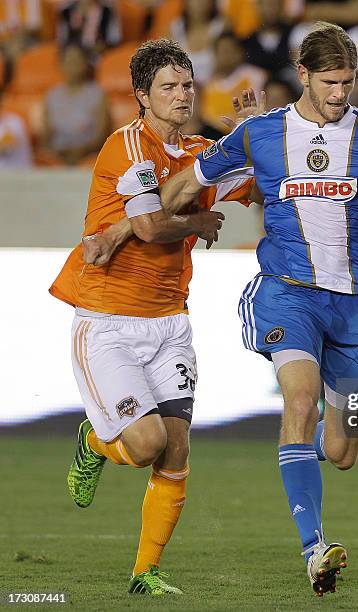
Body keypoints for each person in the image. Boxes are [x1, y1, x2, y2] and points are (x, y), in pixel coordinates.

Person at [85, 22, 358, 598]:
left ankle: (315, 459)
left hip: (357, 306)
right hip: (287, 292)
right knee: (300, 399)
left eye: (349, 82)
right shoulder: (262, 134)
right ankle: (314, 550)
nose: (340, 93)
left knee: (340, 450)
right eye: (330, 82)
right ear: (303, 75)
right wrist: (116, 230)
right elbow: (183, 186)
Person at [49, 39, 257, 596]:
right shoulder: (127, 148)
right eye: (168, 86)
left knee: (177, 447)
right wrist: (199, 221)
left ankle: (146, 572)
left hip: (171, 321)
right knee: (143, 445)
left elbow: (259, 186)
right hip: (109, 320)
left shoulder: (200, 152)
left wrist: (254, 136)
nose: (182, 94)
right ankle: (94, 441)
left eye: (187, 84)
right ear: (142, 96)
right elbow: (147, 226)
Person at [39, 43, 109, 166]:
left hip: (87, 155)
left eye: (77, 61)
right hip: (58, 154)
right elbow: (46, 136)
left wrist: (82, 151)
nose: (73, 65)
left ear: (85, 64)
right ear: (60, 65)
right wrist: (52, 153)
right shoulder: (52, 95)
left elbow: (101, 135)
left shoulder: (97, 94)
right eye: (68, 61)